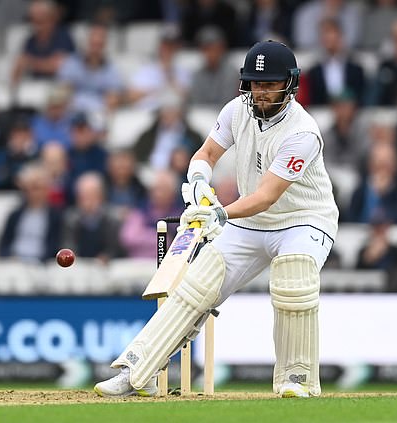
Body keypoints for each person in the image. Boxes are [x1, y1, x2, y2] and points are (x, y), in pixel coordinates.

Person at [95, 41, 338, 398]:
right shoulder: (236, 110)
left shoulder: (302, 133)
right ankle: (137, 371)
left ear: (290, 84)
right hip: (251, 221)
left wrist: (218, 211)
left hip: (303, 219)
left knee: (294, 272)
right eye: (256, 83)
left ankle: (296, 379)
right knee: (197, 283)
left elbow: (265, 196)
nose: (261, 92)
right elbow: (207, 153)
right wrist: (196, 181)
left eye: (270, 84)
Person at [62, 172, 124, 263]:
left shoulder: (112, 218)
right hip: (78, 266)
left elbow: (116, 247)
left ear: (101, 196)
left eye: (92, 196)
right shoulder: (71, 218)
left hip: (107, 268)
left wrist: (107, 256)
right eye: (84, 196)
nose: (88, 201)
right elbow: (67, 244)